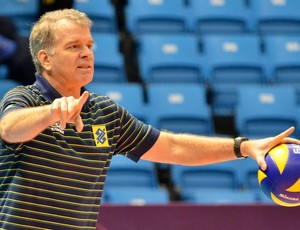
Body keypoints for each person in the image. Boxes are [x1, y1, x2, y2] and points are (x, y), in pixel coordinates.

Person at [0, 9, 299, 230]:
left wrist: (243, 147)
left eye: (89, 45)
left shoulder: (105, 113)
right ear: (46, 58)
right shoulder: (24, 100)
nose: (86, 54)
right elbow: (10, 129)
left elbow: (173, 147)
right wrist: (51, 112)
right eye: (73, 46)